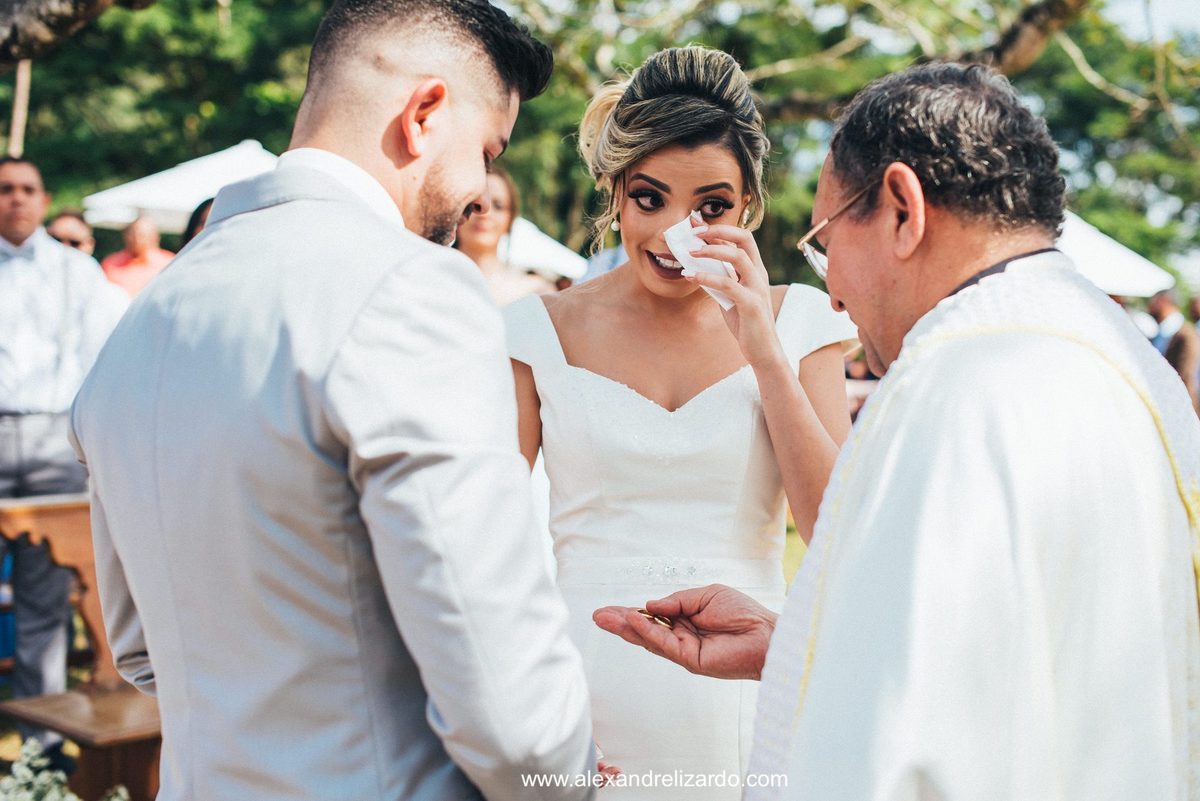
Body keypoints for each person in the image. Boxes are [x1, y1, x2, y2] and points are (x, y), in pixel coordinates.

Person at [596, 62, 1199, 800]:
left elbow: (903, 742)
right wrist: (795, 647)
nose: (832, 292)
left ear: (902, 210)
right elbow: (999, 657)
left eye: (824, 242)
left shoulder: (957, 394)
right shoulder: (1129, 368)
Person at [69, 2, 595, 799]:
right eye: (487, 151)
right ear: (424, 113)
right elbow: (511, 711)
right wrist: (569, 780)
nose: (477, 191)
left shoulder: (141, 324)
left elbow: (142, 649)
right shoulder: (412, 288)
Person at [503, 46, 855, 799]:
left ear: (749, 205)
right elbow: (488, 544)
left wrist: (763, 349)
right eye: (649, 198)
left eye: (711, 208)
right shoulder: (536, 331)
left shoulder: (801, 323)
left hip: (749, 694)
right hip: (579, 697)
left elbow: (837, 531)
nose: (673, 233)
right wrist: (523, 714)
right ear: (615, 192)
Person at [0, 157, 127, 768]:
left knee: (44, 599)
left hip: (53, 438)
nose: (16, 199)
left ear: (45, 199)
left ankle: (40, 749)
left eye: (27, 189)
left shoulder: (76, 273)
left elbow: (104, 358)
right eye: (5, 189)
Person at [455, 167, 554, 305]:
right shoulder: (428, 277)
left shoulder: (536, 292)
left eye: (498, 206)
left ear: (510, 220)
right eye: (475, 205)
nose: (485, 214)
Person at [99, 215, 174, 297]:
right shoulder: (110, 263)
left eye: (142, 235)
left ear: (155, 237)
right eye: (132, 234)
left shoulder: (170, 263)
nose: (136, 239)